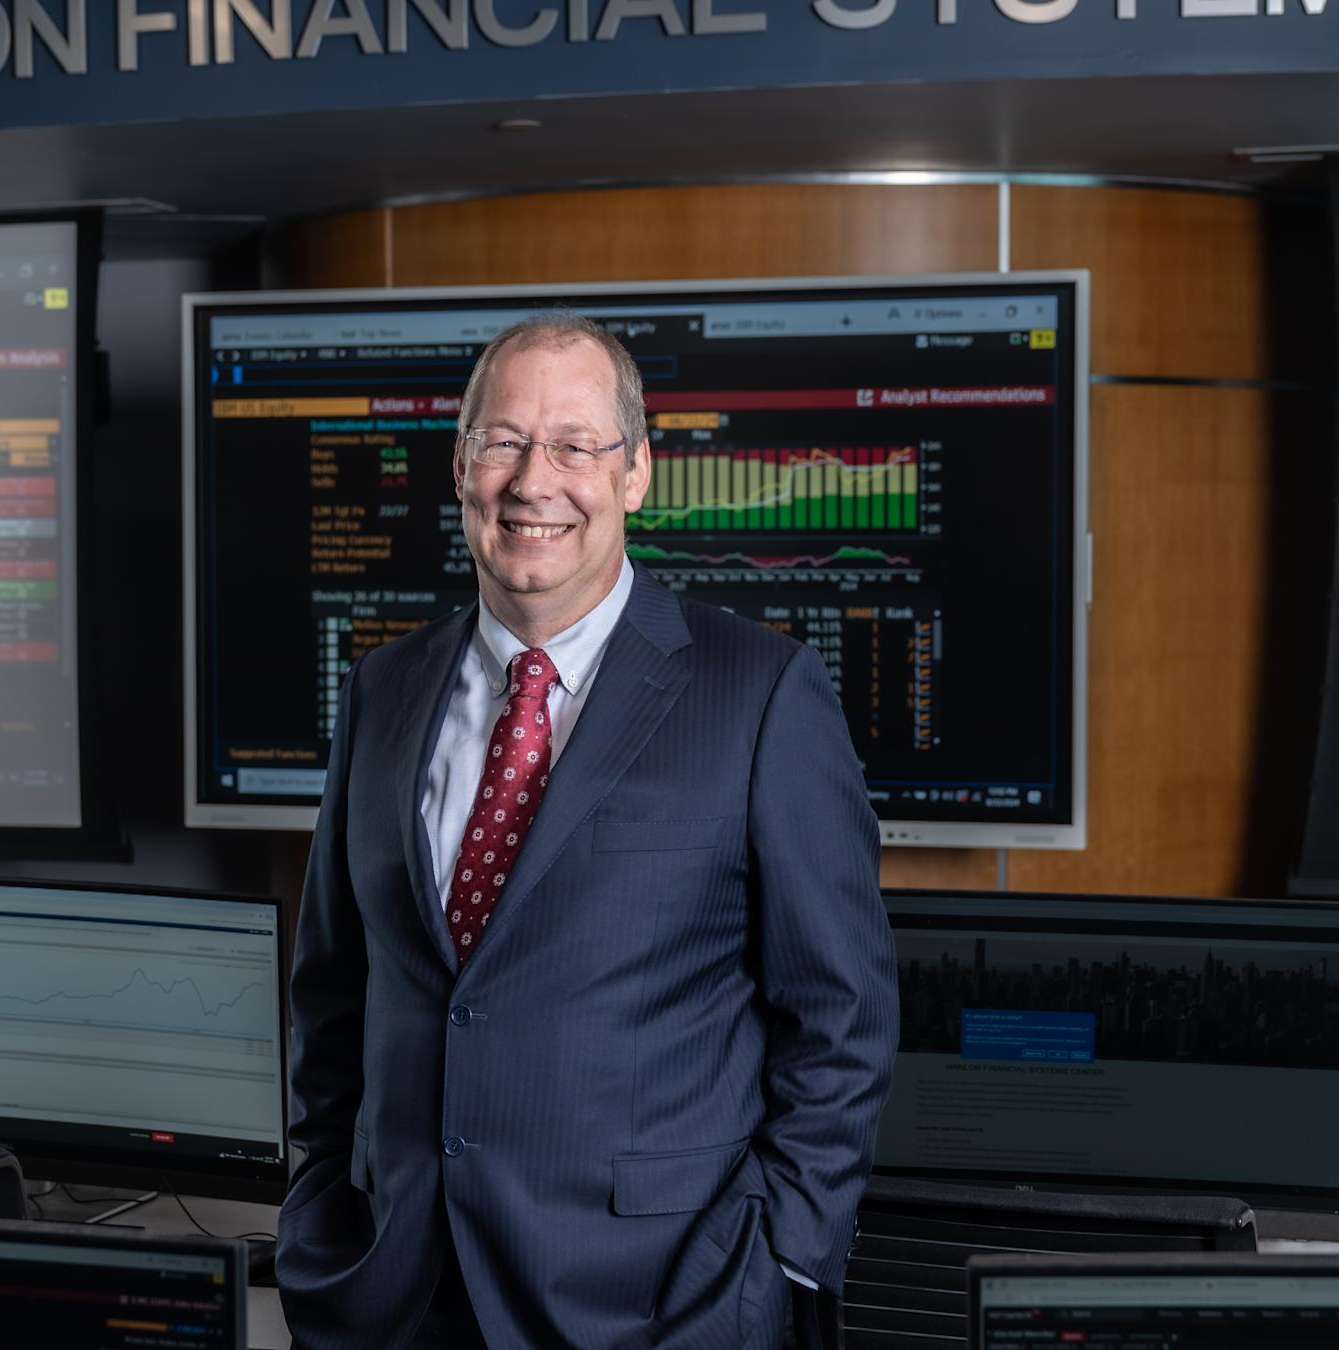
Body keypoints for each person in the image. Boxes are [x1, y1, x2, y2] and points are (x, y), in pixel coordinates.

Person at [277, 311, 896, 1349]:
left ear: (635, 474)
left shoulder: (758, 692)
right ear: (462, 466)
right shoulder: (385, 690)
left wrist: (779, 1261)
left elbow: (841, 1017)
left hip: (658, 1306)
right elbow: (335, 1000)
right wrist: (317, 1221)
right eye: (504, 441)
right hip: (391, 1295)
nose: (534, 481)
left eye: (574, 444)